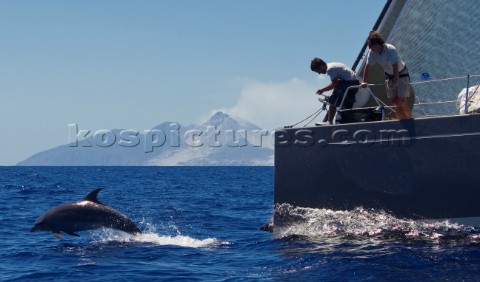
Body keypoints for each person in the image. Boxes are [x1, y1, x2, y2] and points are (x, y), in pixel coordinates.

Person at [361, 31, 412, 119]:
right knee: (395, 102)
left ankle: (410, 120)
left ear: (377, 44)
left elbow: (394, 65)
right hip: (389, 76)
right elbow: (368, 66)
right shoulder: (372, 52)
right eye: (369, 46)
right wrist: (364, 81)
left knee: (402, 101)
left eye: (371, 46)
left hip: (401, 73)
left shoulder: (390, 49)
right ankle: (400, 122)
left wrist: (396, 80)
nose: (370, 48)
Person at [310, 58, 360, 124]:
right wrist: (323, 90)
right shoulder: (332, 64)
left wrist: (326, 92)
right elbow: (336, 82)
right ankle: (348, 121)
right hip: (354, 83)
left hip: (349, 83)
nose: (319, 73)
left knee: (333, 99)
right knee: (345, 105)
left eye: (318, 71)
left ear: (321, 67)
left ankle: (329, 121)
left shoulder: (330, 69)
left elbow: (335, 85)